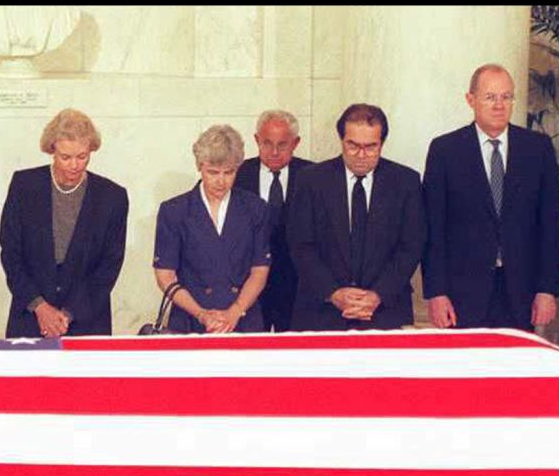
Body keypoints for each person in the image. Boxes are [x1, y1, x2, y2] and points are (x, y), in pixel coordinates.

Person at [422, 63, 559, 331]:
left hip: (522, 291)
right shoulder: (445, 150)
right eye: (490, 97)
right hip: (462, 293)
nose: (499, 105)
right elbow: (433, 228)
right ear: (470, 100)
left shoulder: (537, 148)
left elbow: (550, 223)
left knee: (517, 369)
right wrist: (436, 293)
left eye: (506, 97)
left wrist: (547, 289)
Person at [287, 104, 424, 330]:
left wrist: (378, 294)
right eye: (353, 146)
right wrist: (333, 293)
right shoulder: (310, 181)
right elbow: (301, 245)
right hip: (321, 312)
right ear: (341, 140)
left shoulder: (406, 182)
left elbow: (411, 246)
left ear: (382, 143)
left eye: (371, 147)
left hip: (385, 312)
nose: (361, 155)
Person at [0, 108, 129, 338]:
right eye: (65, 157)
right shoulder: (24, 186)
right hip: (30, 318)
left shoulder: (112, 197)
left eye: (82, 157)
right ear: (52, 150)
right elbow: (11, 253)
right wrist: (40, 307)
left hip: (88, 320)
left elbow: (109, 266)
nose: (74, 166)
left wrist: (68, 314)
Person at [153, 125, 271, 333]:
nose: (221, 180)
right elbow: (165, 276)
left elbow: (260, 270)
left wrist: (235, 311)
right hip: (190, 320)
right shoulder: (174, 211)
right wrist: (201, 314)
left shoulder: (255, 208)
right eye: (213, 172)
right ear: (199, 166)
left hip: (243, 319)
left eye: (229, 172)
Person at [234, 110, 314, 332]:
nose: (274, 152)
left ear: (295, 143)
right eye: (267, 144)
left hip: (297, 286)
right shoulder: (237, 175)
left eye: (283, 144)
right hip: (247, 285)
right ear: (257, 140)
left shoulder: (314, 176)